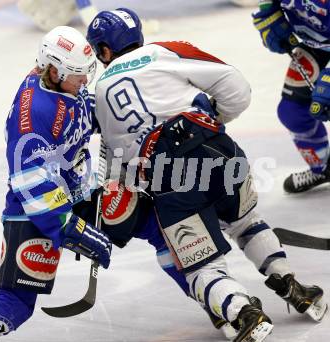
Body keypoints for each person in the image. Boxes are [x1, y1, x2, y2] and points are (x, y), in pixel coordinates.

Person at [86, 8, 328, 341]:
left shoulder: (99, 93)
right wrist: (212, 120)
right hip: (217, 149)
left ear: (104, 51)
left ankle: (242, 312)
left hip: (170, 176)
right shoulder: (166, 50)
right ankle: (293, 286)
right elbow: (236, 87)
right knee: (245, 221)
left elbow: (123, 165)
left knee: (200, 266)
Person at [0, 26, 112, 341]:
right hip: (34, 214)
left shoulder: (68, 84)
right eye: (77, 74)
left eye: (87, 72)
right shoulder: (32, 113)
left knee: (147, 220)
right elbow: (32, 186)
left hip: (72, 191)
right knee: (12, 309)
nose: (84, 81)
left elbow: (85, 116)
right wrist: (74, 230)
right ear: (53, 69)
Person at [253, 0, 330, 193]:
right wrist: (268, 17)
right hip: (316, 46)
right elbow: (266, 5)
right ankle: (323, 168)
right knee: (292, 112)